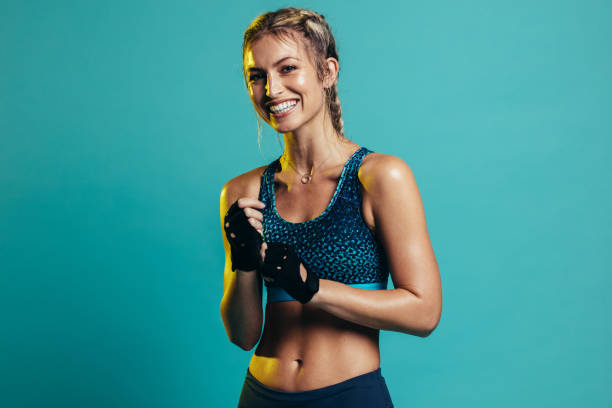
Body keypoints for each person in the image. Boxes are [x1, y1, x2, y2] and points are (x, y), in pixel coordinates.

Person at [219, 7, 442, 407]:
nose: (271, 89)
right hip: (261, 395)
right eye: (257, 76)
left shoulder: (378, 177)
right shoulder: (244, 190)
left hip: (350, 395)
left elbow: (424, 312)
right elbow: (243, 334)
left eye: (287, 68)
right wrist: (244, 263)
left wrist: (315, 289)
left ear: (327, 72)